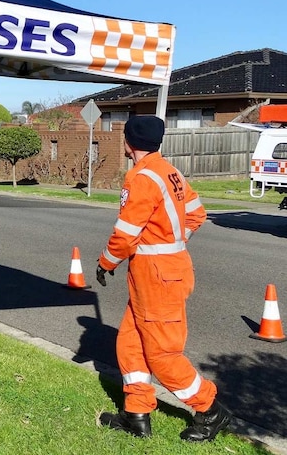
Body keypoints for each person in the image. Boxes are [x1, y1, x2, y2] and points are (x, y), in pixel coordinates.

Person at [97, 115, 232, 442]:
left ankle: (210, 410)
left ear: (128, 143)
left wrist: (106, 262)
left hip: (156, 277)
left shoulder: (141, 177)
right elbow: (197, 213)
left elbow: (126, 234)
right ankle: (136, 415)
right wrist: (173, 242)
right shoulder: (170, 172)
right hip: (160, 273)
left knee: (161, 354)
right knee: (130, 343)